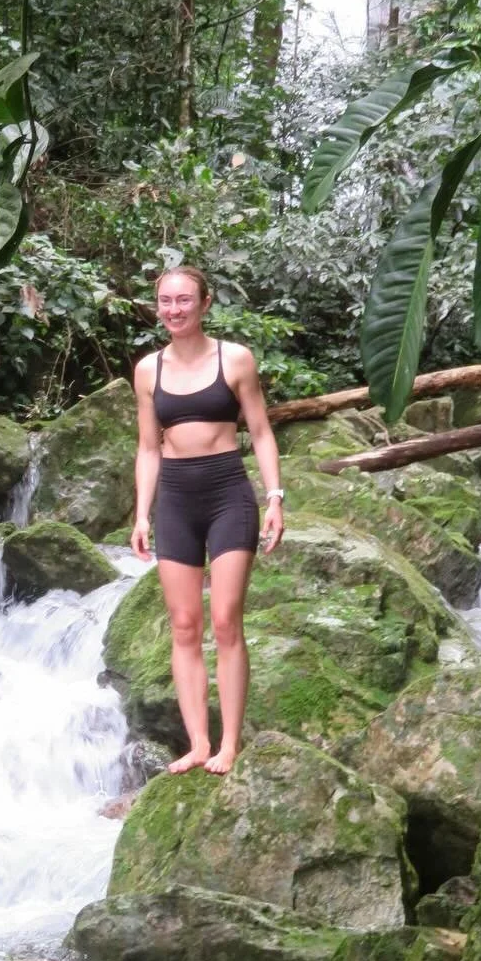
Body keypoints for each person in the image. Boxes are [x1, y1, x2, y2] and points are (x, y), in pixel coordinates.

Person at [130, 264, 284, 776]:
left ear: (205, 303)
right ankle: (198, 742)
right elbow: (148, 446)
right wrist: (141, 513)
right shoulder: (148, 370)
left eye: (184, 300)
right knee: (184, 624)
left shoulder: (235, 359)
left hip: (227, 494)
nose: (175, 310)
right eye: (166, 301)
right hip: (175, 498)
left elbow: (260, 433)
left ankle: (230, 744)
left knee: (224, 620)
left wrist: (275, 498)